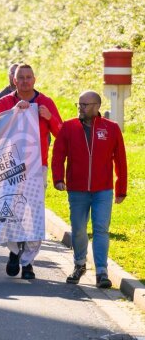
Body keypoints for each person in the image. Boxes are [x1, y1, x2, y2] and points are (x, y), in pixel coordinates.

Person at [0, 63, 62, 280]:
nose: (24, 81)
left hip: (36, 166)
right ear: (14, 80)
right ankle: (14, 252)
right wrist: (13, 113)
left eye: (28, 77)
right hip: (12, 165)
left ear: (35, 79)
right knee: (12, 210)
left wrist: (49, 117)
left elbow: (61, 133)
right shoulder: (5, 101)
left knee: (34, 214)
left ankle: (29, 262)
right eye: (20, 77)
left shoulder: (45, 101)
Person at [52, 91, 128, 289]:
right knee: (78, 229)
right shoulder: (69, 127)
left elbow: (120, 159)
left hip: (103, 189)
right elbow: (58, 155)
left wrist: (121, 187)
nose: (81, 108)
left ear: (97, 106)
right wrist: (58, 178)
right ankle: (79, 264)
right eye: (80, 104)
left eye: (85, 105)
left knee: (101, 229)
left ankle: (102, 271)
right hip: (77, 189)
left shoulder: (111, 128)